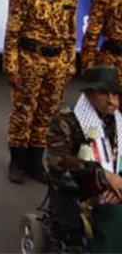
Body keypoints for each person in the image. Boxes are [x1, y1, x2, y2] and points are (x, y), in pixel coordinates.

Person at [5, 0, 78, 185]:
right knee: (24, 112)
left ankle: (36, 161)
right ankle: (17, 161)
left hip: (56, 61)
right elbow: (12, 33)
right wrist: (12, 67)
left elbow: (70, 32)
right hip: (30, 58)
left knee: (47, 113)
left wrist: (69, 64)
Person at [45, 65, 122, 252]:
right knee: (114, 214)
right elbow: (58, 162)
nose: (112, 101)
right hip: (85, 187)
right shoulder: (66, 120)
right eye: (104, 94)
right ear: (88, 93)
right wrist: (102, 175)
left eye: (115, 94)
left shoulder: (118, 119)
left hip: (118, 184)